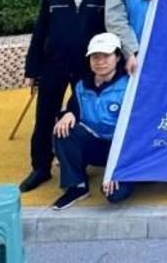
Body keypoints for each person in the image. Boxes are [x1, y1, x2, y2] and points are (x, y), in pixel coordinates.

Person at [20, 0, 108, 193]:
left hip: (88, 67)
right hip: (53, 64)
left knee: (82, 115)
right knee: (44, 117)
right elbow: (40, 31)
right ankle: (40, 167)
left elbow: (112, 28)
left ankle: (77, 163)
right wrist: (32, 69)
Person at [50, 32, 133, 210]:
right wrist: (68, 113)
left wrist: (117, 169)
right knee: (63, 129)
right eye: (95, 57)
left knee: (115, 195)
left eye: (106, 56)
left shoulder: (129, 85)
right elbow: (73, 108)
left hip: (121, 149)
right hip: (94, 145)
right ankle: (77, 186)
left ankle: (129, 175)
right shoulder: (82, 85)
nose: (100, 62)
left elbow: (135, 130)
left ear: (118, 57)